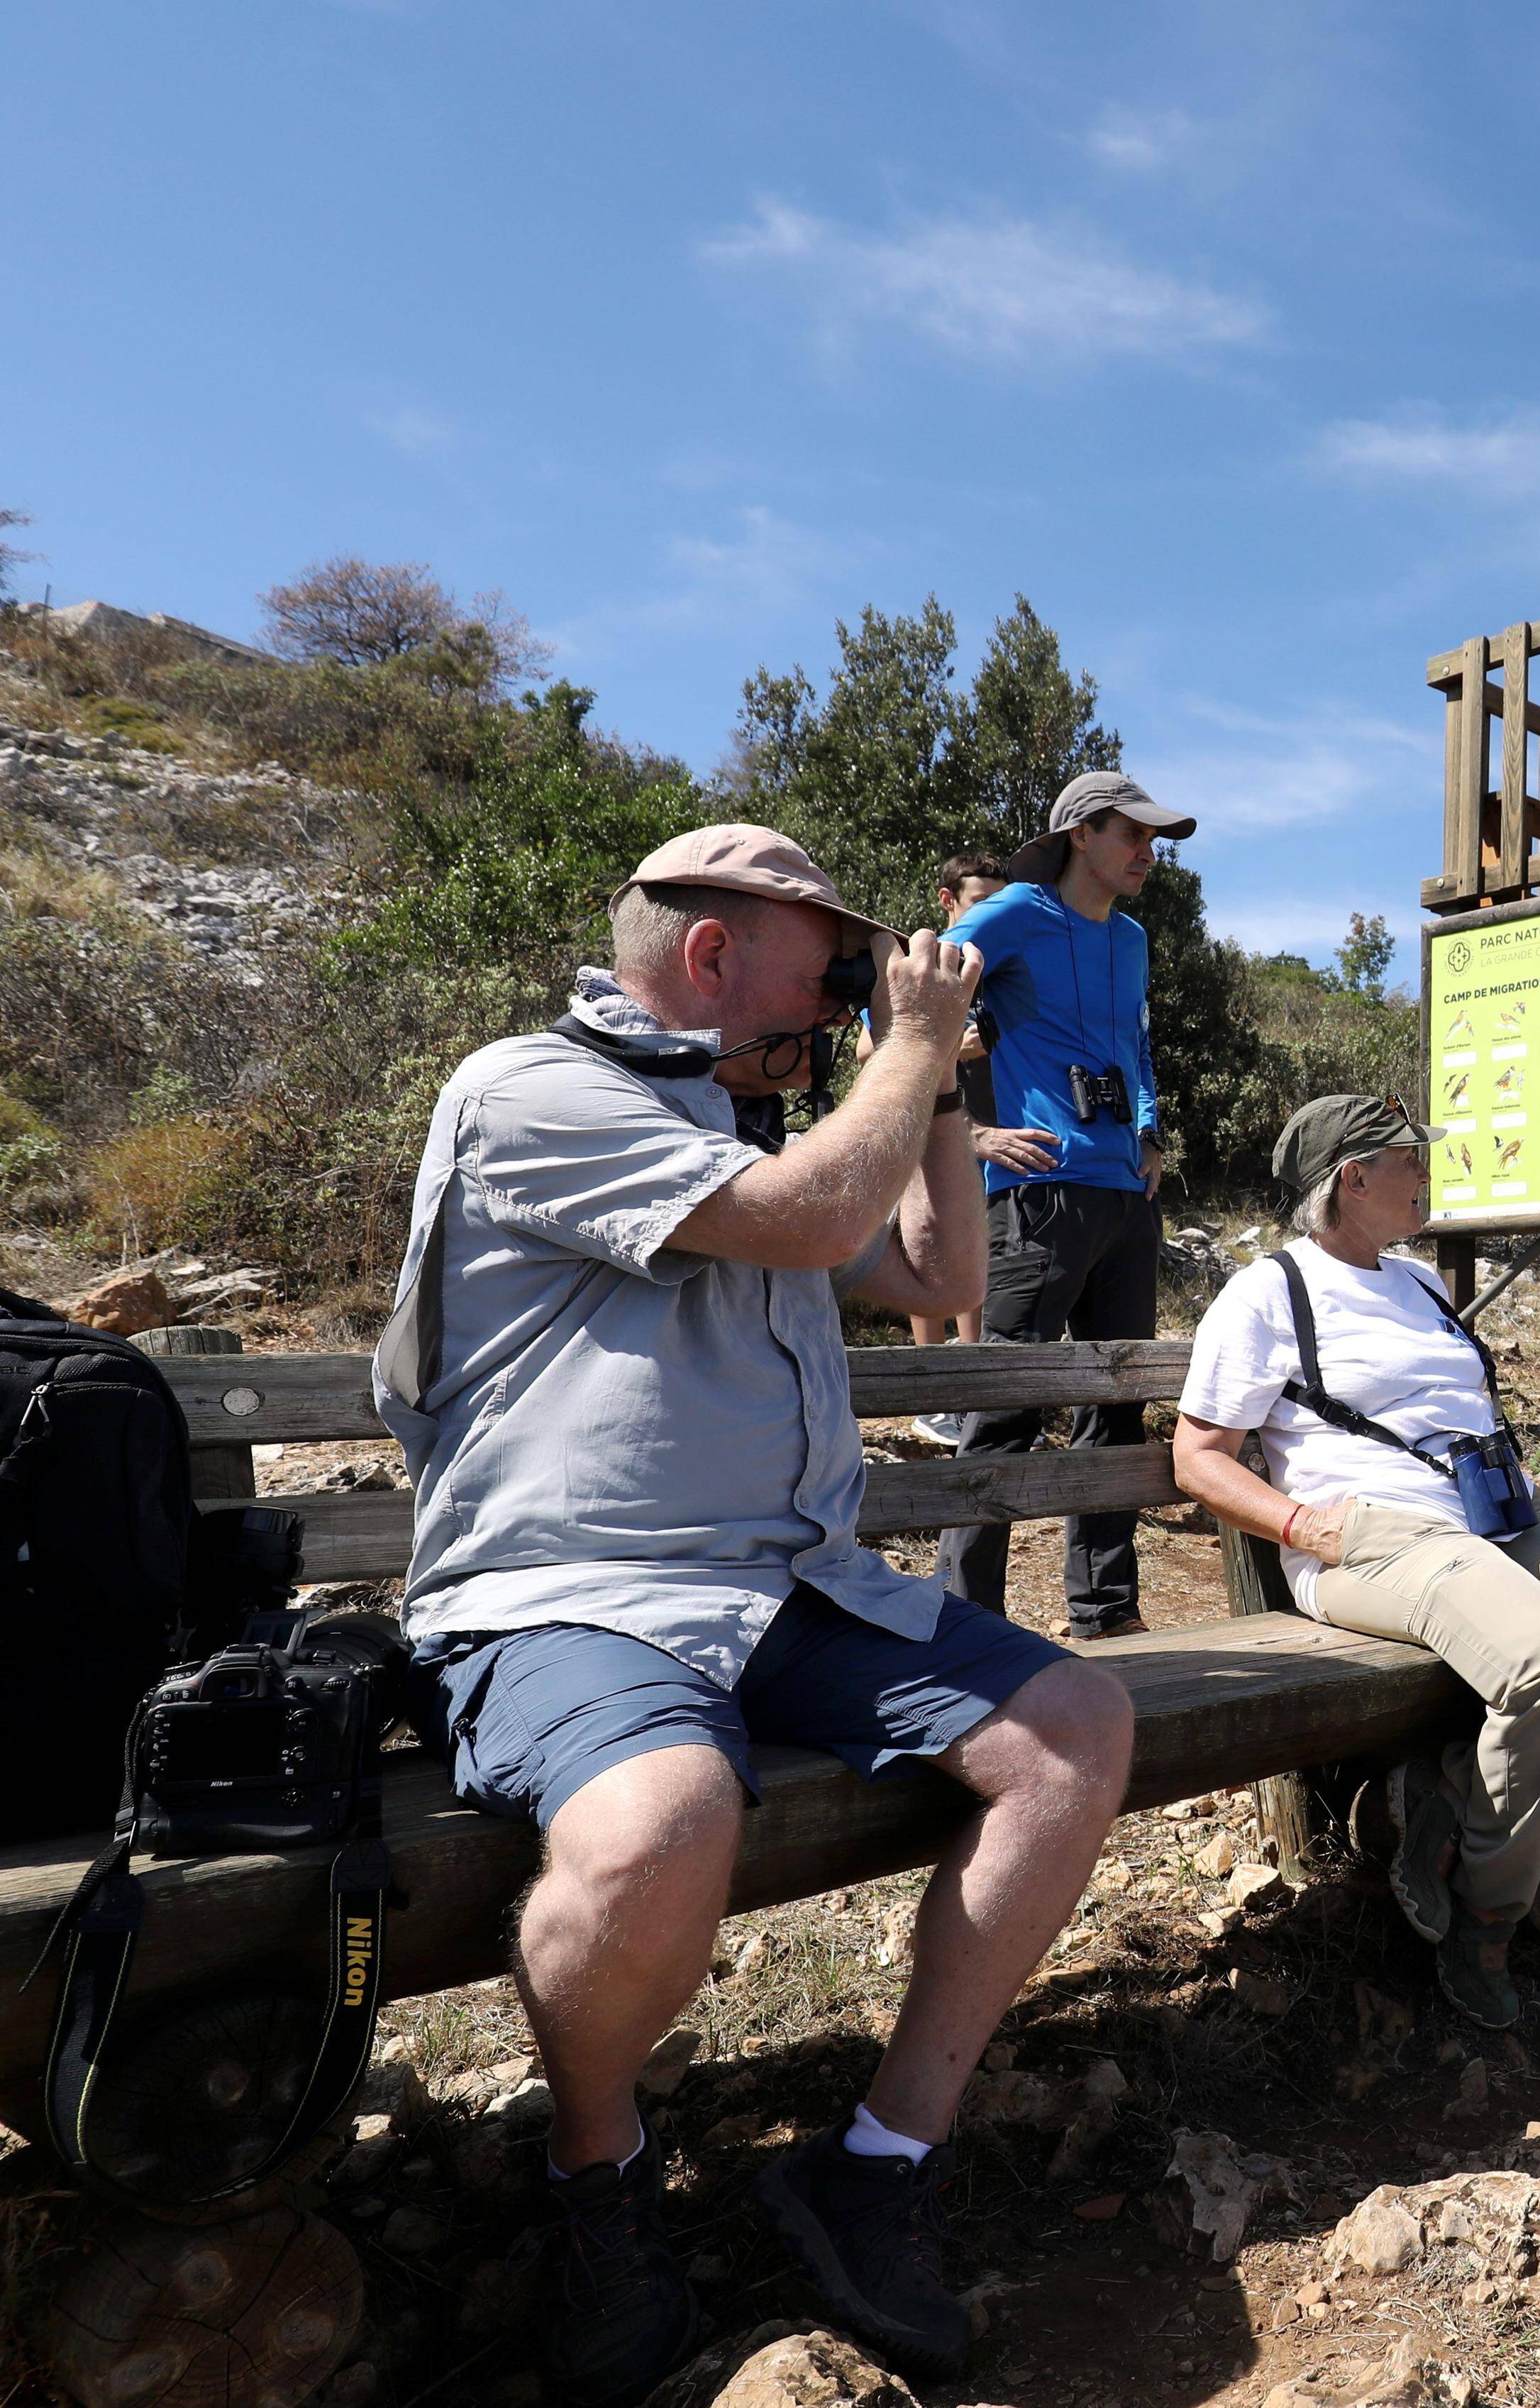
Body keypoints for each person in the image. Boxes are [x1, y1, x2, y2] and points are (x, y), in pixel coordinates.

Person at [371, 824, 1136, 2401]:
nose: (850, 987)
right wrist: (905, 1043)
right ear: (712, 952)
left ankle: (876, 2164)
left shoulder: (765, 1131)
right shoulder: (530, 1088)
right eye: (827, 960)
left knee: (1074, 1725)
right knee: (660, 1822)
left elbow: (938, 1266)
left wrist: (940, 1081)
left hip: (783, 1585)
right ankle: (598, 2182)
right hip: (569, 1588)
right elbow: (804, 1218)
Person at [1170, 1096, 1540, 2028]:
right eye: (1409, 1160)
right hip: (1375, 1536)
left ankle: (1448, 1799)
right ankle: (1488, 1912)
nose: (1427, 1173)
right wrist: (1300, 1524)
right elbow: (1197, 1456)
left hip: (1494, 1520)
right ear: (1352, 1178)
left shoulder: (1420, 1282)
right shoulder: (1269, 1292)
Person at [937, 770, 1197, 1639]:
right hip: (1039, 1197)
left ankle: (1105, 1615)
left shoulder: (1131, 938)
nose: (1148, 852)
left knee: (1117, 1410)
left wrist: (1150, 1133)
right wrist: (971, 1135)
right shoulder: (1015, 911)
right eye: (1133, 834)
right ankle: (965, 1626)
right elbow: (902, 1003)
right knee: (1004, 1407)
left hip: (1126, 1200)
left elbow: (1135, 1046)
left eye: (1154, 839)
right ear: (1080, 834)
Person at [892, 852, 1007, 1445]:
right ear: (948, 901)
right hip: (930, 1130)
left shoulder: (1000, 973)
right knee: (928, 1256)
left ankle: (972, 1397)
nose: (993, 914)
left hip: (991, 1133)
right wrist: (954, 1049)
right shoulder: (917, 964)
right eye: (981, 902)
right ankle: (932, 1400)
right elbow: (869, 1049)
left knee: (975, 1259)